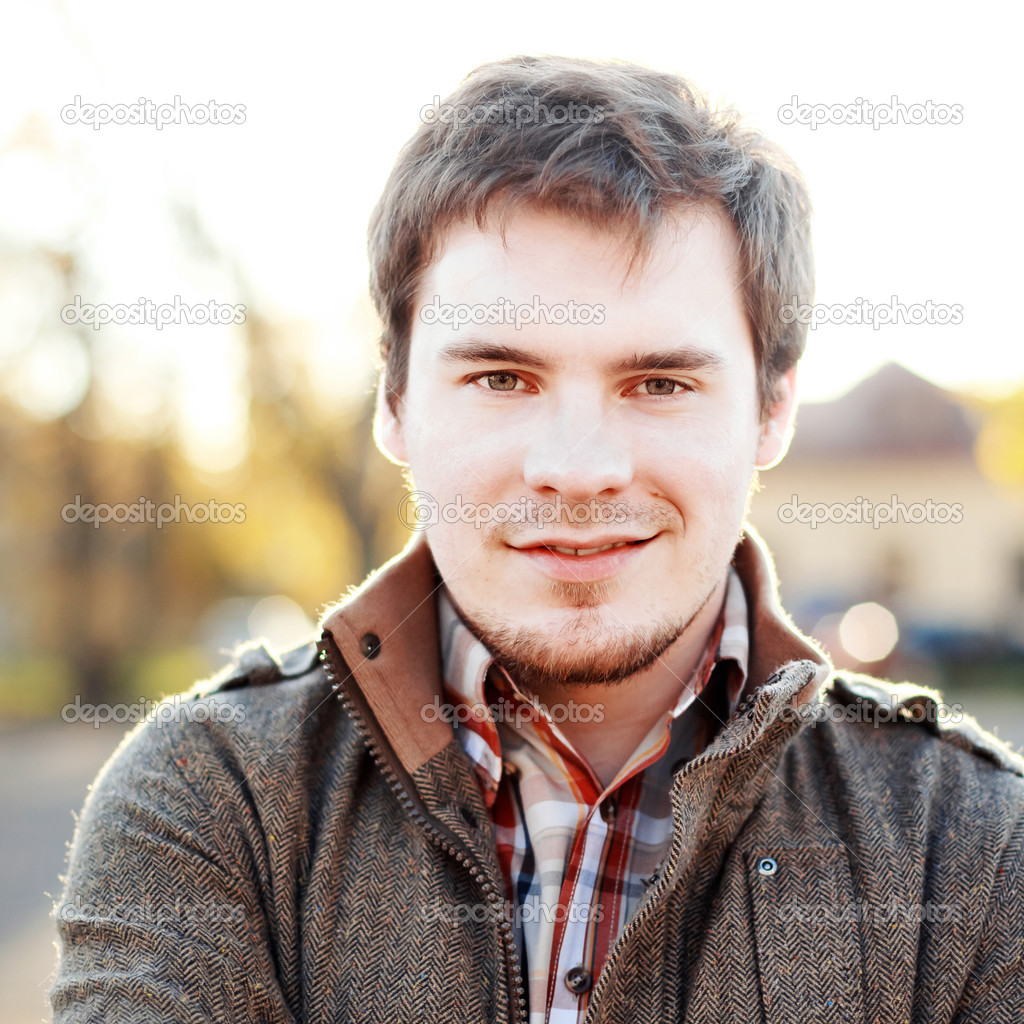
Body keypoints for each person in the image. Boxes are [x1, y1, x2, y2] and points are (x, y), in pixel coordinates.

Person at [51, 55, 1024, 1024]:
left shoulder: (973, 847)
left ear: (771, 409)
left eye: (659, 383)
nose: (578, 465)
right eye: (502, 378)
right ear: (394, 401)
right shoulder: (214, 800)